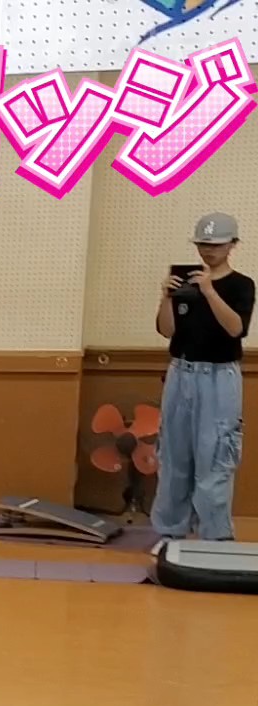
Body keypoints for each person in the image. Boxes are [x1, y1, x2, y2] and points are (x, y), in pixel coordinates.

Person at [154, 212, 254, 542]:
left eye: (216, 244)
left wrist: (210, 291)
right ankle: (170, 532)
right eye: (202, 244)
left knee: (215, 457)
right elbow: (167, 330)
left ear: (232, 245)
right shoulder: (186, 284)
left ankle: (215, 538)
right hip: (181, 372)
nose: (208, 250)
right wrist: (166, 298)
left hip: (219, 377)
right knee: (173, 457)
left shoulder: (241, 285)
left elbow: (236, 329)